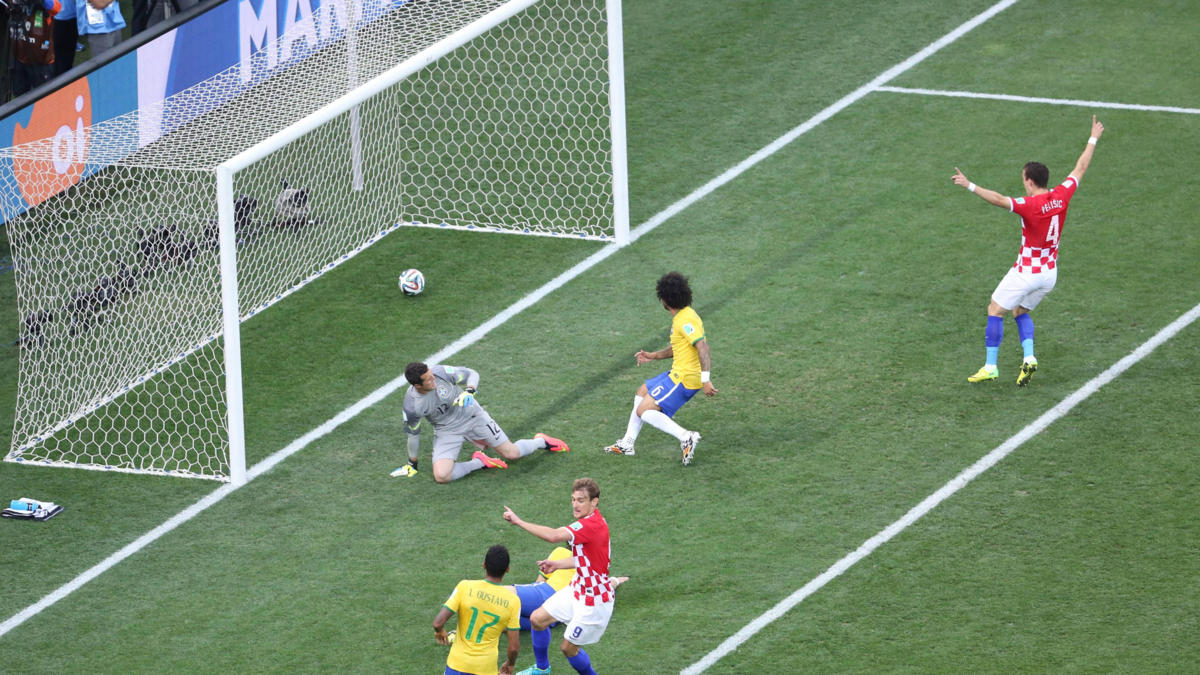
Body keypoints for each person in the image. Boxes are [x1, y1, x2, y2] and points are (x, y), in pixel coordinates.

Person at [952, 116, 1105, 385]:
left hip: (1027, 272)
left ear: (1031, 182)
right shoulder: (1061, 195)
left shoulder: (1029, 205)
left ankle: (990, 366)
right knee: (1020, 311)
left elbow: (998, 199)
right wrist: (1093, 137)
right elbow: (1081, 167)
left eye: (1024, 179)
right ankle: (1029, 358)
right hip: (1049, 274)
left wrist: (969, 185)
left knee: (994, 309)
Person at [503, 478, 613, 675]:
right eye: (573, 499)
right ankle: (542, 668)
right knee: (537, 619)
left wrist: (518, 521)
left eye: (581, 500)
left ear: (594, 502)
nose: (575, 505)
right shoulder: (593, 522)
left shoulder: (591, 525)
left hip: (594, 599)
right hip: (577, 588)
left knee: (568, 648)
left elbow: (553, 536)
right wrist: (557, 565)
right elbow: (587, 559)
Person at [604, 272, 716, 465]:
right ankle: (627, 443)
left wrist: (705, 379)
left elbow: (703, 346)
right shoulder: (685, 314)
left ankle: (686, 437)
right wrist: (653, 356)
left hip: (685, 378)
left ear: (664, 300)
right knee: (642, 391)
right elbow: (679, 347)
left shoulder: (684, 320)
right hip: (679, 372)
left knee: (644, 411)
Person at [394, 362, 569, 483]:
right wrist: (412, 463)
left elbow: (472, 374)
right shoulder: (412, 405)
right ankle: (479, 462)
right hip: (447, 430)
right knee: (442, 476)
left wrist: (469, 391)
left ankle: (541, 441)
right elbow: (413, 435)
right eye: (429, 379)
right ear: (417, 385)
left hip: (473, 417)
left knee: (512, 454)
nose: (434, 379)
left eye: (432, 375)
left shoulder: (440, 372)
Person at [505, 547, 628, 675]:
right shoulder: (593, 562)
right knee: (522, 619)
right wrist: (616, 580)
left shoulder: (562, 552)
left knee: (499, 593)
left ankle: (542, 666)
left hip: (547, 594)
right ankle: (542, 667)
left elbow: (539, 581)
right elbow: (606, 584)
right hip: (559, 608)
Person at [434, 545, 521, 675]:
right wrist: (510, 663)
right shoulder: (513, 601)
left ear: (484, 565)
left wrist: (439, 631)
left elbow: (438, 623)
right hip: (485, 668)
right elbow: (513, 648)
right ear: (507, 569)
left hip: (456, 665)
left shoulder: (464, 586)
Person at [8, 0, 62, 96]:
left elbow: (56, 8)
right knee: (20, 96)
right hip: (19, 56)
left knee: (43, 98)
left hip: (41, 61)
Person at [51, 0, 76, 77]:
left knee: (69, 52)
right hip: (57, 16)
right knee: (58, 53)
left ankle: (65, 76)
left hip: (72, 16)